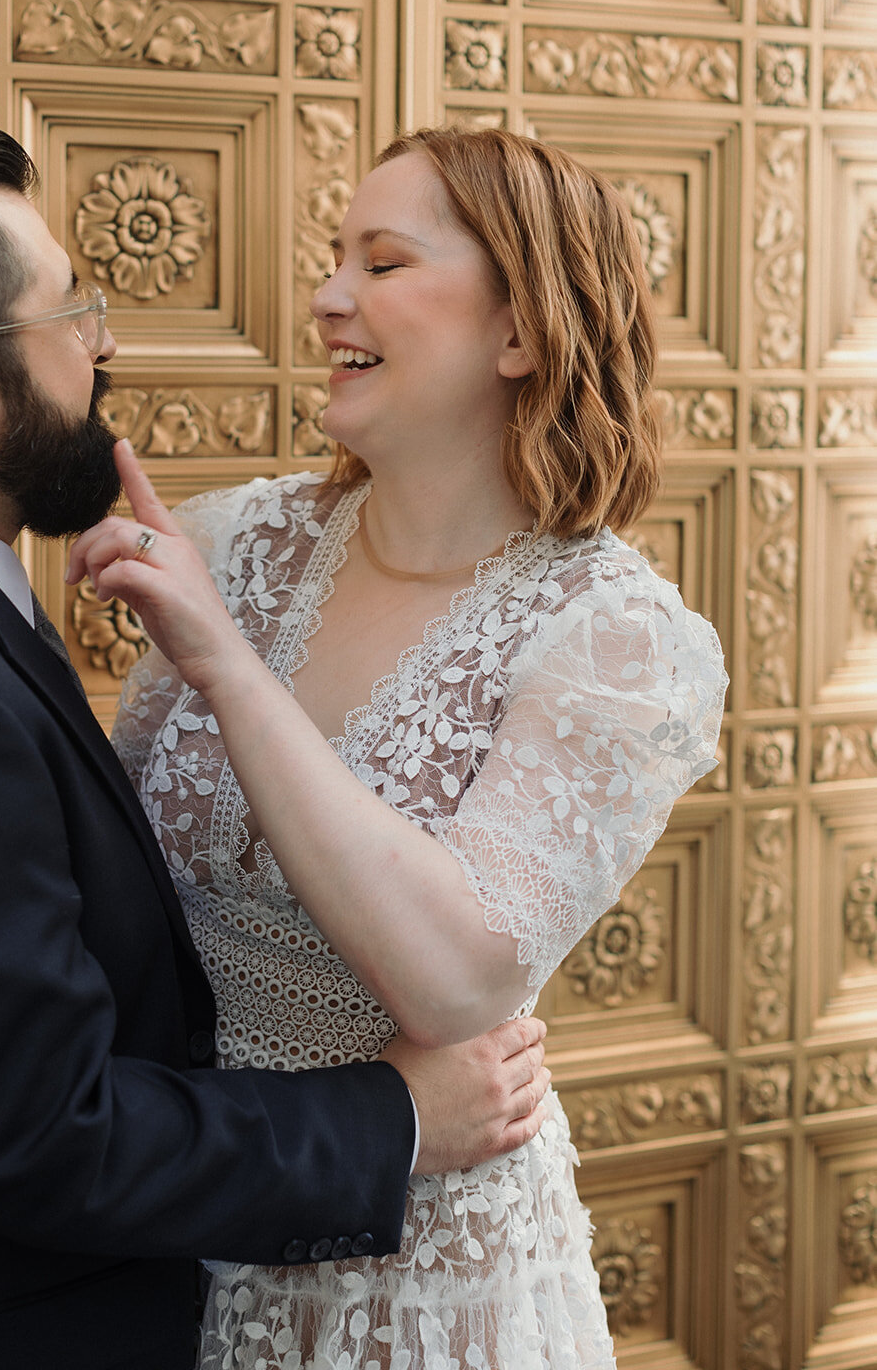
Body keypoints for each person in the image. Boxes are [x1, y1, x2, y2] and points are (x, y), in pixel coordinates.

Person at [0, 111, 553, 1370]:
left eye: (382, 262)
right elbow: (44, 1133)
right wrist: (394, 1119)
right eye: (68, 311)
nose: (105, 341)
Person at [69, 127, 729, 1369]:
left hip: (415, 1283)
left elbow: (451, 976)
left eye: (380, 262)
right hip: (170, 1219)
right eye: (332, 261)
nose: (325, 300)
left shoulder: (617, 641)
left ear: (518, 331)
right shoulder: (234, 548)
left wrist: (223, 664)